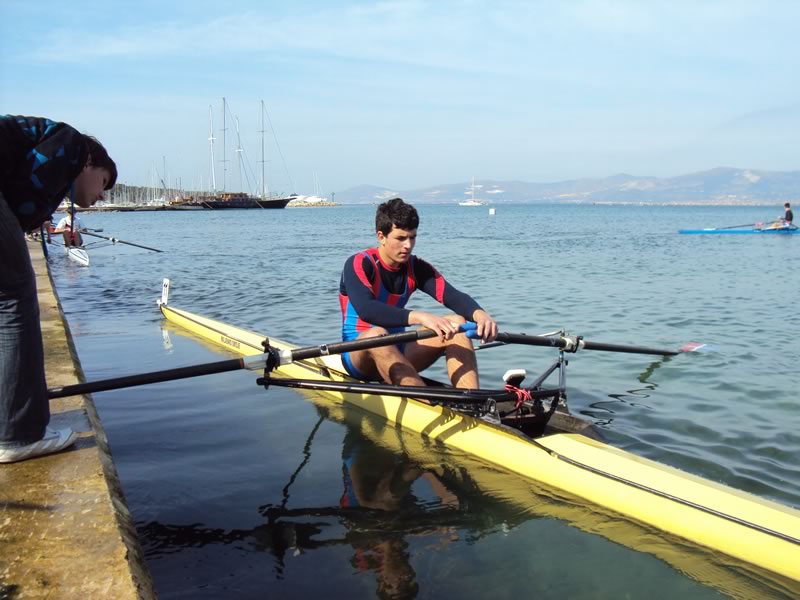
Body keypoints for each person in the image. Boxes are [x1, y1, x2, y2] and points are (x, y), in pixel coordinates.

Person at [0, 115, 117, 463]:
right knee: (14, 296)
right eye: (104, 182)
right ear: (90, 163)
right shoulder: (73, 143)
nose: (101, 196)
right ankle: (17, 435)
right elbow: (25, 197)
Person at [339, 197, 497, 388]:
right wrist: (420, 317)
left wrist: (480, 315)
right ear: (381, 236)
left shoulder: (416, 267)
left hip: (401, 350)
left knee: (456, 323)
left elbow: (453, 296)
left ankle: (470, 398)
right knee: (377, 334)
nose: (408, 245)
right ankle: (424, 400)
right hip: (358, 356)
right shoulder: (359, 263)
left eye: (412, 237)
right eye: (400, 238)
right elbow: (367, 310)